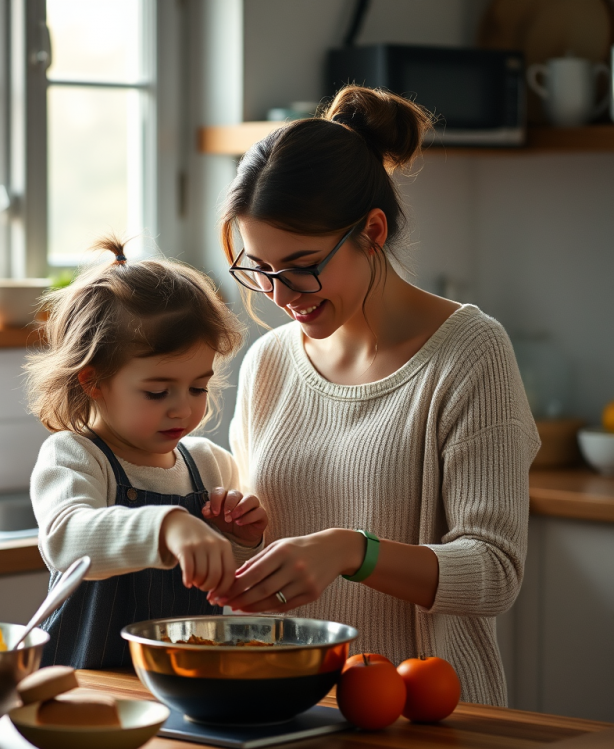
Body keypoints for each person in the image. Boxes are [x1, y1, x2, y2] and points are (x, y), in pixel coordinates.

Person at [211, 86, 540, 706]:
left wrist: (351, 551)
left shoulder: (469, 352)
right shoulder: (270, 363)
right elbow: (279, 541)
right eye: (260, 267)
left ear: (372, 230)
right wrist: (239, 532)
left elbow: (494, 573)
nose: (281, 293)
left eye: (302, 264)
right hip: (291, 706)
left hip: (429, 714)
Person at [25, 237, 267, 669]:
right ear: (93, 381)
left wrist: (243, 540)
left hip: (185, 683)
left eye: (198, 387)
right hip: (85, 684)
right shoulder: (76, 456)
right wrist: (167, 525)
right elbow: (67, 540)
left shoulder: (210, 464)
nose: (184, 407)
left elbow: (228, 577)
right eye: (157, 392)